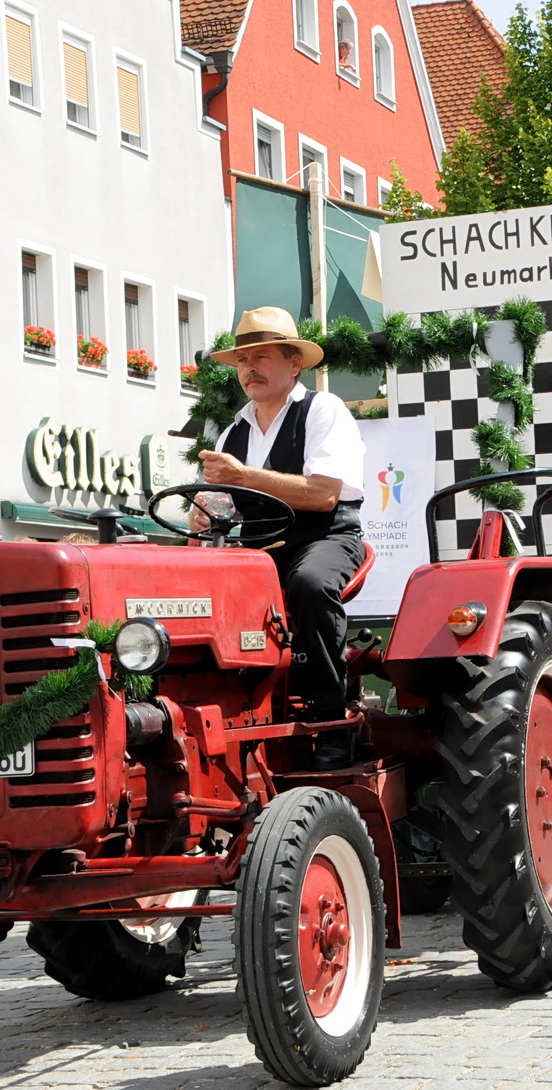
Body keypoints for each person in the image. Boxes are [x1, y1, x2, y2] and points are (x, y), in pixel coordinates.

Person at [199, 307, 366, 768]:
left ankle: (333, 720)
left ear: (295, 364)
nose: (249, 368)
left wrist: (245, 478)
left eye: (262, 357)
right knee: (194, 592)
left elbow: (324, 494)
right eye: (243, 360)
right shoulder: (234, 429)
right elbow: (221, 507)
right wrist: (205, 512)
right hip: (255, 550)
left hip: (325, 538)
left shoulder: (323, 410)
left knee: (310, 585)